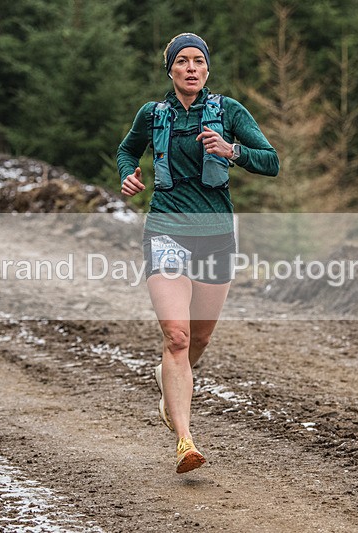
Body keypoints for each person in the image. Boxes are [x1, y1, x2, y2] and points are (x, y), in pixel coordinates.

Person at [116, 33, 279, 473]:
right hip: (166, 229)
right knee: (178, 336)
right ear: (169, 69)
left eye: (199, 61)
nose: (191, 68)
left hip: (216, 234)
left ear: (207, 69)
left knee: (200, 338)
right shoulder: (152, 115)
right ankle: (185, 439)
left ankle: (167, 380)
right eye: (182, 61)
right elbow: (127, 149)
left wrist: (233, 151)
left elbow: (271, 160)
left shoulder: (229, 112)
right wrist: (129, 173)